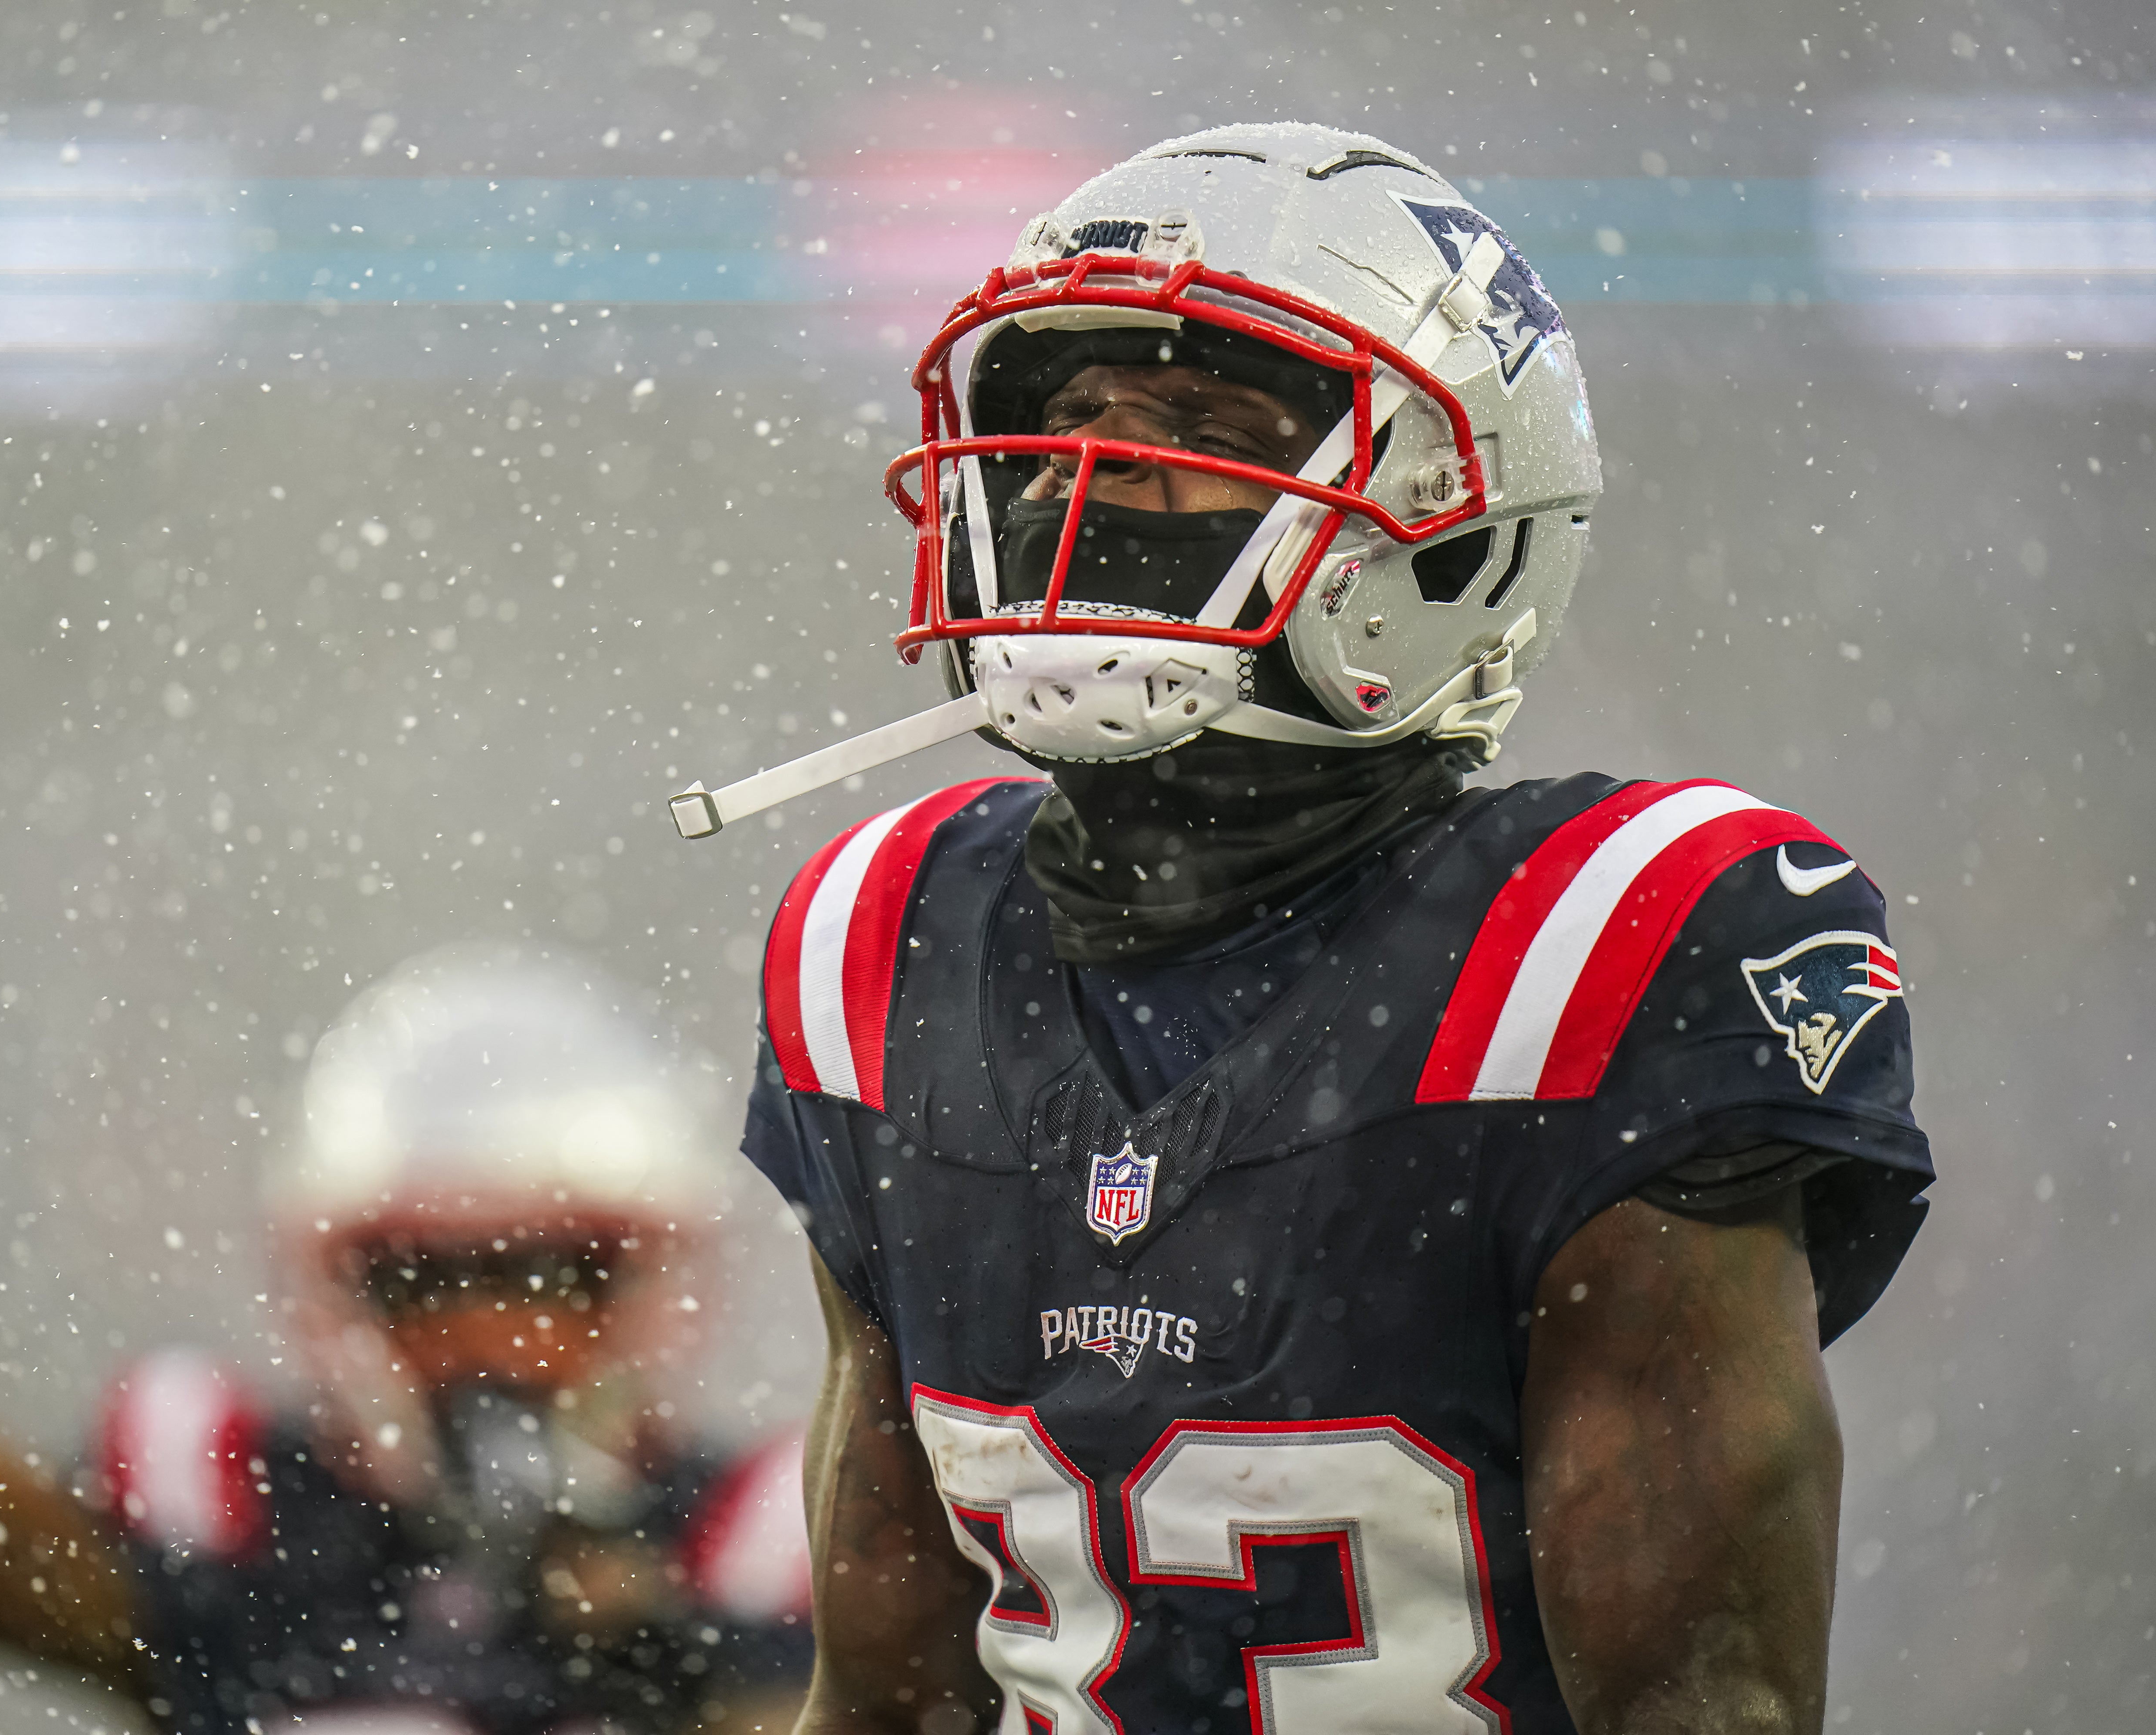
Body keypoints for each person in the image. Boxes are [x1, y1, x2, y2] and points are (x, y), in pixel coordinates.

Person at [698, 123, 1933, 1733]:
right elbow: (887, 1698)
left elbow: (1703, 1704)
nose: (1100, 468)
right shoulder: (883, 938)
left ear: (1448, 533)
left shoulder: (1606, 947)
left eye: (1205, 423)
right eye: (1071, 414)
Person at [0, 913, 811, 1734]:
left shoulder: (762, 1542)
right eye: (428, 1283)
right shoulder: (253, 1520)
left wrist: (680, 1662)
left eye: (547, 1278)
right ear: (342, 1283)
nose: (488, 1336)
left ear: (648, 1275)